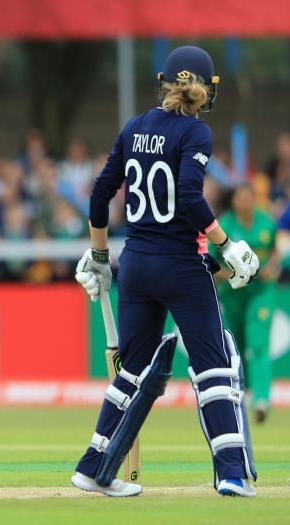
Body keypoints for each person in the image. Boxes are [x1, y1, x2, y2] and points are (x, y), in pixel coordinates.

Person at [71, 46, 260, 497]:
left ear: (164, 81)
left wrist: (99, 255)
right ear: (205, 90)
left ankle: (93, 467)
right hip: (180, 265)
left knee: (132, 371)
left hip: (135, 263)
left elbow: (100, 195)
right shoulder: (195, 132)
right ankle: (232, 473)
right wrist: (227, 245)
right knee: (214, 366)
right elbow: (190, 198)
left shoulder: (134, 127)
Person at [213, 184, 276, 423]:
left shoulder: (266, 222)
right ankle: (240, 393)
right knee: (236, 346)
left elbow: (273, 252)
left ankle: (261, 399)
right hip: (233, 293)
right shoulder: (224, 226)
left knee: (258, 342)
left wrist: (271, 267)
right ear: (235, 201)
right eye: (242, 197)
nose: (247, 202)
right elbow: (211, 260)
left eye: (250, 197)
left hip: (260, 291)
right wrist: (230, 276)